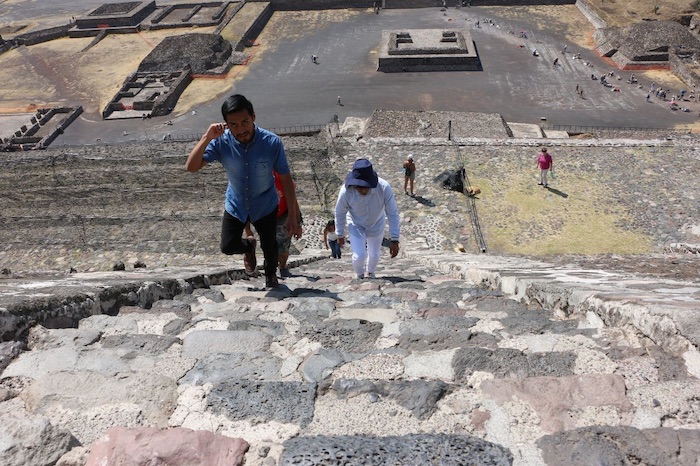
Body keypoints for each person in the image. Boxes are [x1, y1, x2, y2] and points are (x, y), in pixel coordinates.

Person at [185, 94, 301, 289]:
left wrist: (293, 216)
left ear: (253, 117)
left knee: (270, 245)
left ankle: (271, 276)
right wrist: (207, 137)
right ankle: (248, 246)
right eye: (234, 125)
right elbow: (191, 166)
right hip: (237, 203)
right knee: (228, 245)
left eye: (245, 122)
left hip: (265, 203)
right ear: (226, 125)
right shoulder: (221, 142)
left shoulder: (272, 143)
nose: (241, 130)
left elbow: (286, 179)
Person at [334, 159, 400, 279]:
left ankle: (371, 272)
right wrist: (340, 234)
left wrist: (395, 239)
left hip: (376, 223)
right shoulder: (346, 191)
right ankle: (359, 274)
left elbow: (392, 213)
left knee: (374, 255)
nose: (363, 190)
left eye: (366, 187)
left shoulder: (384, 188)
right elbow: (340, 212)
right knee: (359, 255)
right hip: (356, 223)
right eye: (359, 187)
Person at [244, 171, 302, 278]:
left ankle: (283, 266)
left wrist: (298, 223)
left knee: (283, 247)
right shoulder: (253, 180)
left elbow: (293, 201)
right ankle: (271, 272)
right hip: (265, 215)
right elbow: (246, 204)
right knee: (268, 244)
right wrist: (247, 229)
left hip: (283, 215)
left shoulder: (281, 177)